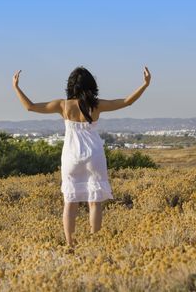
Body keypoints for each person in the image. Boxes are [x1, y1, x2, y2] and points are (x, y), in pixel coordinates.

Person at [12, 66, 151, 248]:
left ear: (70, 86)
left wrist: (16, 87)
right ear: (91, 85)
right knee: (95, 202)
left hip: (71, 156)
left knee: (70, 202)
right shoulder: (96, 105)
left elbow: (30, 107)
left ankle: (70, 245)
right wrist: (145, 84)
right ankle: (94, 243)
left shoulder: (63, 105)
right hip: (94, 155)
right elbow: (126, 102)